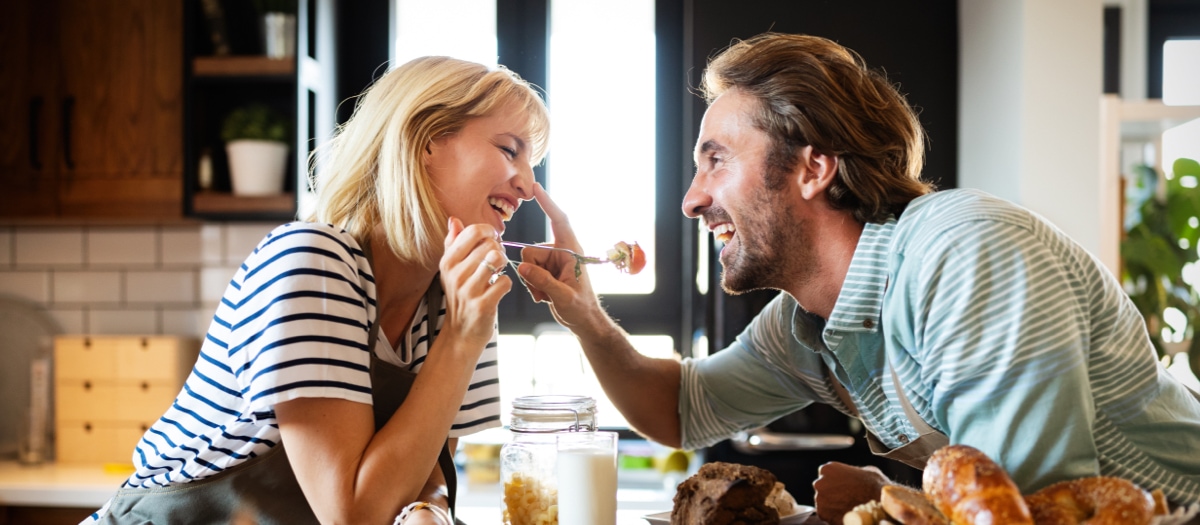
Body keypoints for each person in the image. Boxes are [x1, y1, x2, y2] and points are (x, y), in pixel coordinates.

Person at [514, 32, 1200, 523]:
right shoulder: (807, 324)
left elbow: (1021, 508)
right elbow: (681, 408)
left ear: (814, 168)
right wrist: (585, 315)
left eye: (716, 159)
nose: (692, 199)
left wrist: (883, 499)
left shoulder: (966, 253)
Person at [84, 56, 549, 525]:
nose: (528, 185)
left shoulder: (459, 297)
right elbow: (353, 516)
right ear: (425, 139)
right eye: (510, 150)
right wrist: (462, 339)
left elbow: (424, 469)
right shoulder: (313, 260)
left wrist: (429, 509)